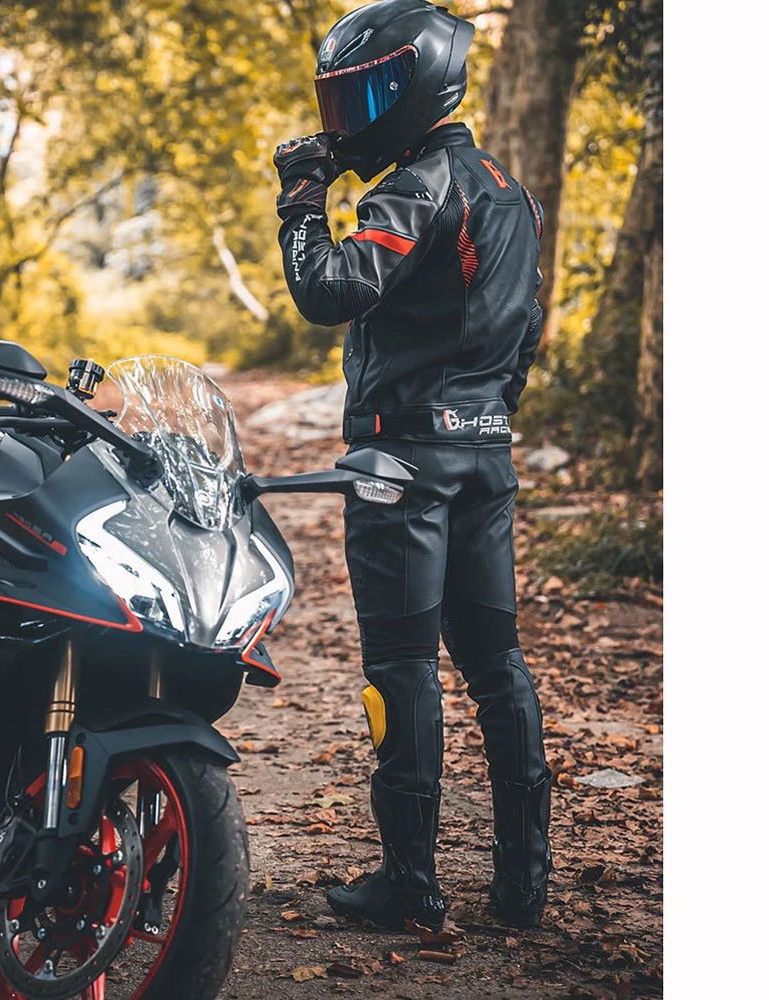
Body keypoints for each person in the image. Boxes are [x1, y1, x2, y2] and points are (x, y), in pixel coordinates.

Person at [272, 0, 552, 931]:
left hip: (401, 462)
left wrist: (301, 198)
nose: (345, 121)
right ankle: (523, 886)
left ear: (412, 86)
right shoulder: (515, 194)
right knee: (496, 663)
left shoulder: (418, 187)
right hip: (485, 457)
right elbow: (527, 334)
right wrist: (484, 421)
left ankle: (410, 885)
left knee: (402, 666)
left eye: (358, 99)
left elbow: (329, 290)